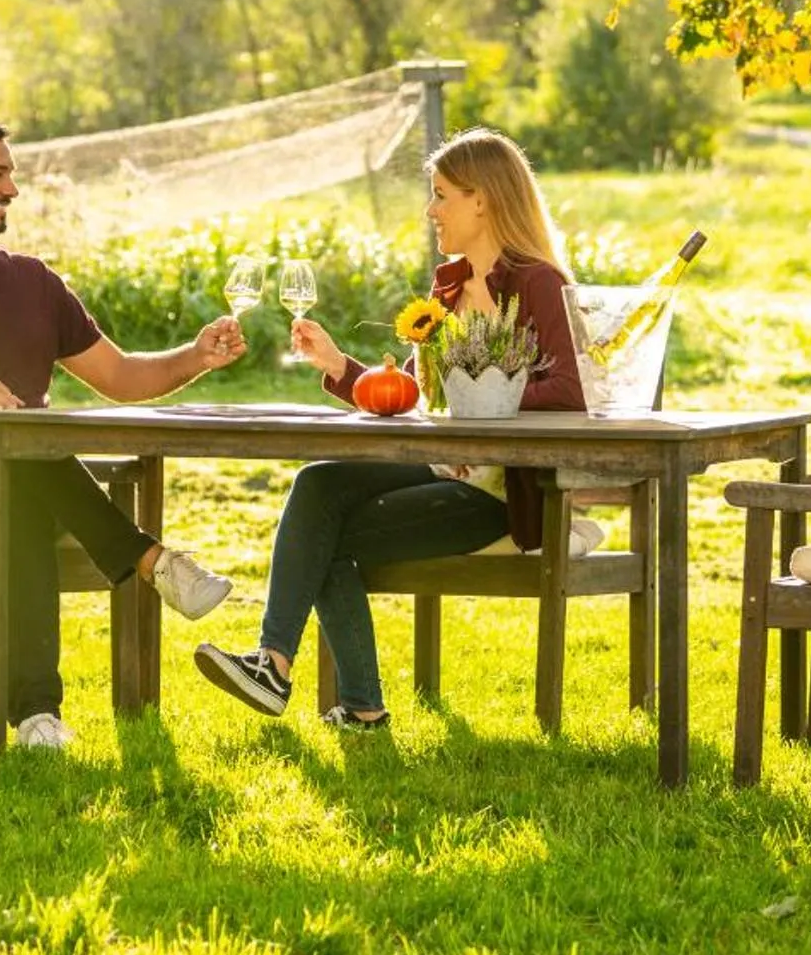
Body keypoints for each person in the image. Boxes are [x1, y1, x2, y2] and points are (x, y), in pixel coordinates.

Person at [0, 112, 245, 750]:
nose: (12, 189)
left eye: (11, 175)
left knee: (18, 474)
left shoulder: (33, 282)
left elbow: (121, 376)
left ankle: (37, 719)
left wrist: (197, 356)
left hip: (26, 485)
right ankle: (150, 559)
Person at [193, 127, 586, 730]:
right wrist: (339, 368)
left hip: (501, 496)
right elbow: (411, 394)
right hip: (437, 467)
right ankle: (284, 672)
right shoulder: (448, 287)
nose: (431, 209)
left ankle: (337, 696)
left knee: (329, 538)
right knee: (319, 484)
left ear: (482, 200)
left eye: (442, 195)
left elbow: (569, 392)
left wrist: (471, 416)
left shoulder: (538, 284)